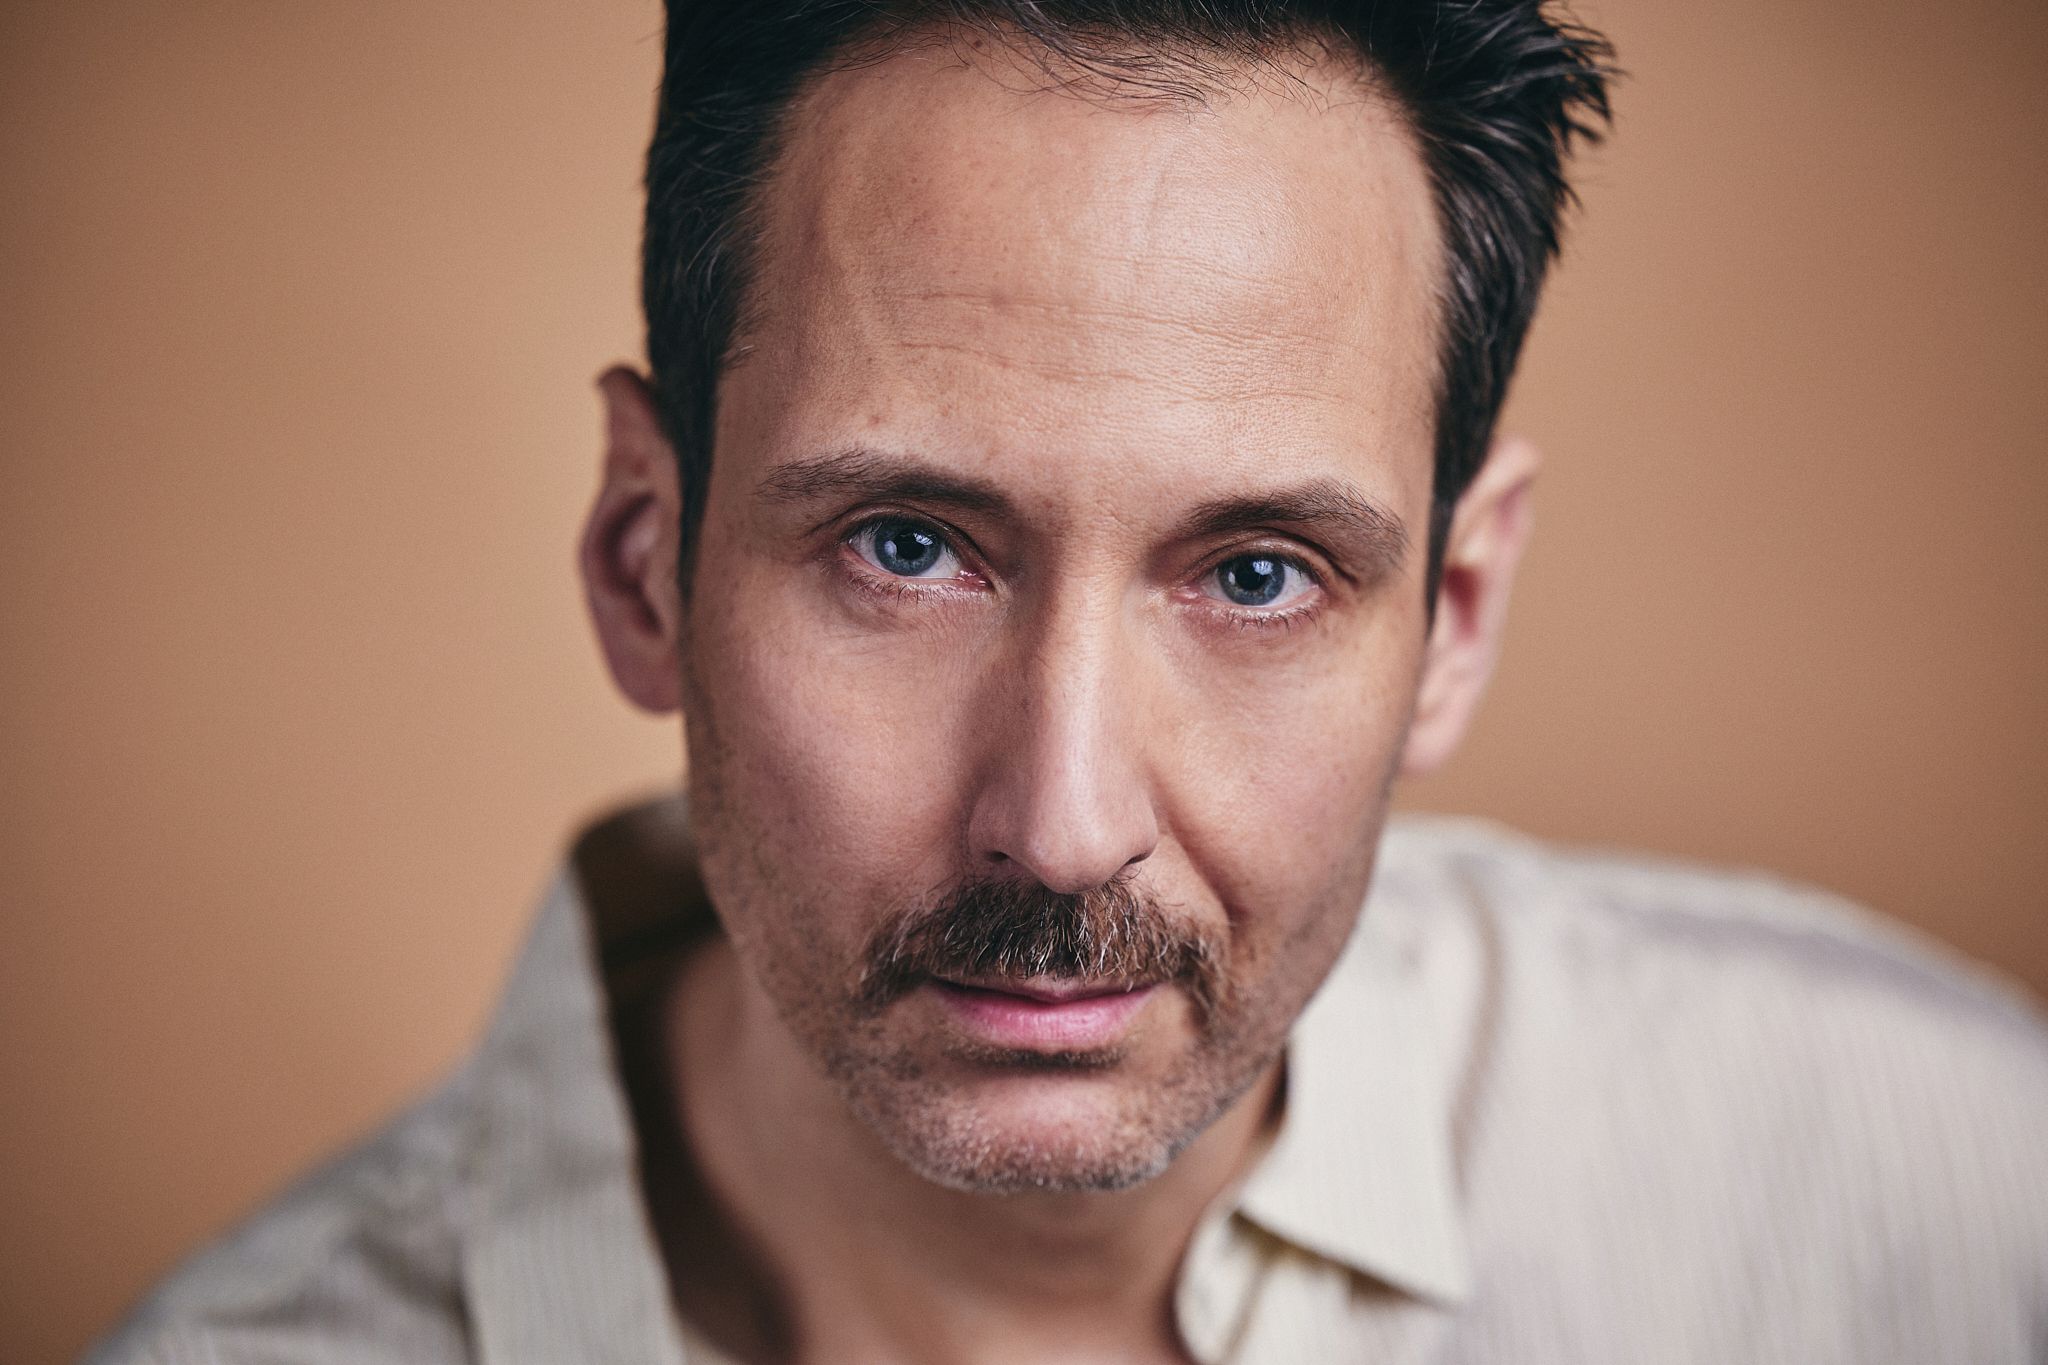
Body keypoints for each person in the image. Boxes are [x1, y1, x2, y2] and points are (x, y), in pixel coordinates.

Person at [90, 2, 2048, 1362]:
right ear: (640, 560)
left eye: (1258, 574)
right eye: (906, 546)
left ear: (1453, 616)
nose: (1064, 817)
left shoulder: (1949, 1181)